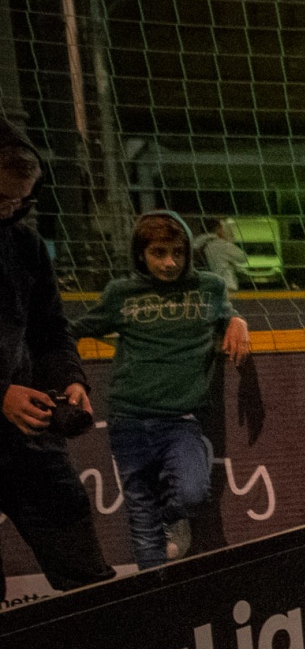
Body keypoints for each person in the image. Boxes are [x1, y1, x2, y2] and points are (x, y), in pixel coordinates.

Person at [70, 211, 248, 567]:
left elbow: (225, 312)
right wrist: (71, 378)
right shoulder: (122, 294)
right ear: (141, 254)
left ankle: (174, 519)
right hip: (128, 419)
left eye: (178, 253)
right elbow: (71, 331)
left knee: (192, 492)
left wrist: (237, 320)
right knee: (141, 513)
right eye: (159, 253)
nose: (170, 263)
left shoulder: (208, 287)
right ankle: (154, 590)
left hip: (181, 420)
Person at [0, 119, 112, 591]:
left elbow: (50, 331)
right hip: (12, 407)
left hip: (28, 436)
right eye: (2, 198)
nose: (10, 210)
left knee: (86, 574)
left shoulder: (24, 244)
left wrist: (70, 378)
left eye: (20, 201)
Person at [193, 218, 248, 293]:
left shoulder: (195, 244)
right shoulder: (222, 245)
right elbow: (243, 258)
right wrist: (228, 240)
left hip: (204, 286)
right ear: (218, 229)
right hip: (224, 287)